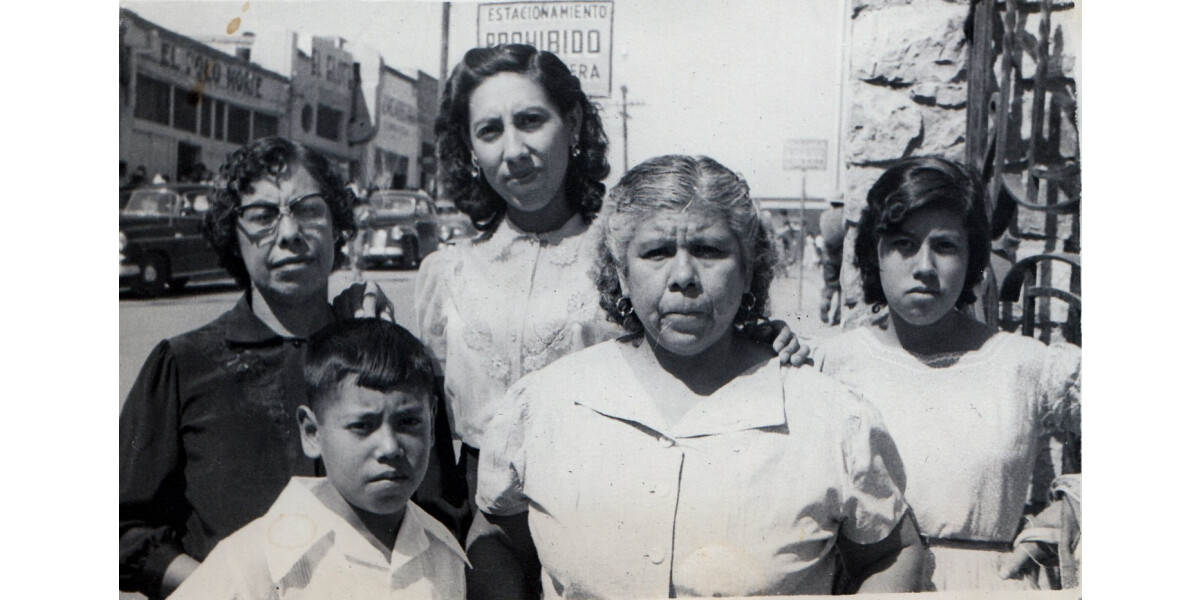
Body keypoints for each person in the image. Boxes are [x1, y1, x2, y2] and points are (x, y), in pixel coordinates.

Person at [469, 155, 923, 599]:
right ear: (621, 273)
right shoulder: (547, 403)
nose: (683, 276)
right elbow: (497, 540)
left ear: (748, 270)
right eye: (656, 252)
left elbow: (890, 552)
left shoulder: (828, 415)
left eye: (709, 251)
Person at [416, 45, 804, 506]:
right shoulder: (447, 273)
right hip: (480, 512)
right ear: (471, 148)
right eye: (490, 131)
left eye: (531, 121)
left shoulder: (631, 257)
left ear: (573, 124)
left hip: (610, 493)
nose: (514, 150)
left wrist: (765, 338)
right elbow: (429, 422)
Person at [119, 137, 425, 599]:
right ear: (232, 235)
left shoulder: (381, 352)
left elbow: (441, 513)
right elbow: (121, 530)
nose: (288, 233)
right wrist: (230, 587)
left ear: (338, 224)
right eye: (262, 216)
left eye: (307, 209)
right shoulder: (184, 366)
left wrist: (372, 347)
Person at [811, 156, 1081, 591]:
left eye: (945, 246)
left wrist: (1069, 509)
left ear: (972, 255)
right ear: (874, 253)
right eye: (903, 244)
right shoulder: (829, 364)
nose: (924, 266)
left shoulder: (1022, 364)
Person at [168, 319, 467, 600]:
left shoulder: (444, 552)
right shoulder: (257, 560)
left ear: (432, 417)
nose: (390, 447)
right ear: (312, 432)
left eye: (409, 422)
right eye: (362, 426)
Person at [819, 199, 846, 325]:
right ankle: (838, 315)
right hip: (843, 255)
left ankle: (825, 303)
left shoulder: (825, 216)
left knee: (829, 285)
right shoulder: (845, 215)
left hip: (828, 255)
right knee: (843, 288)